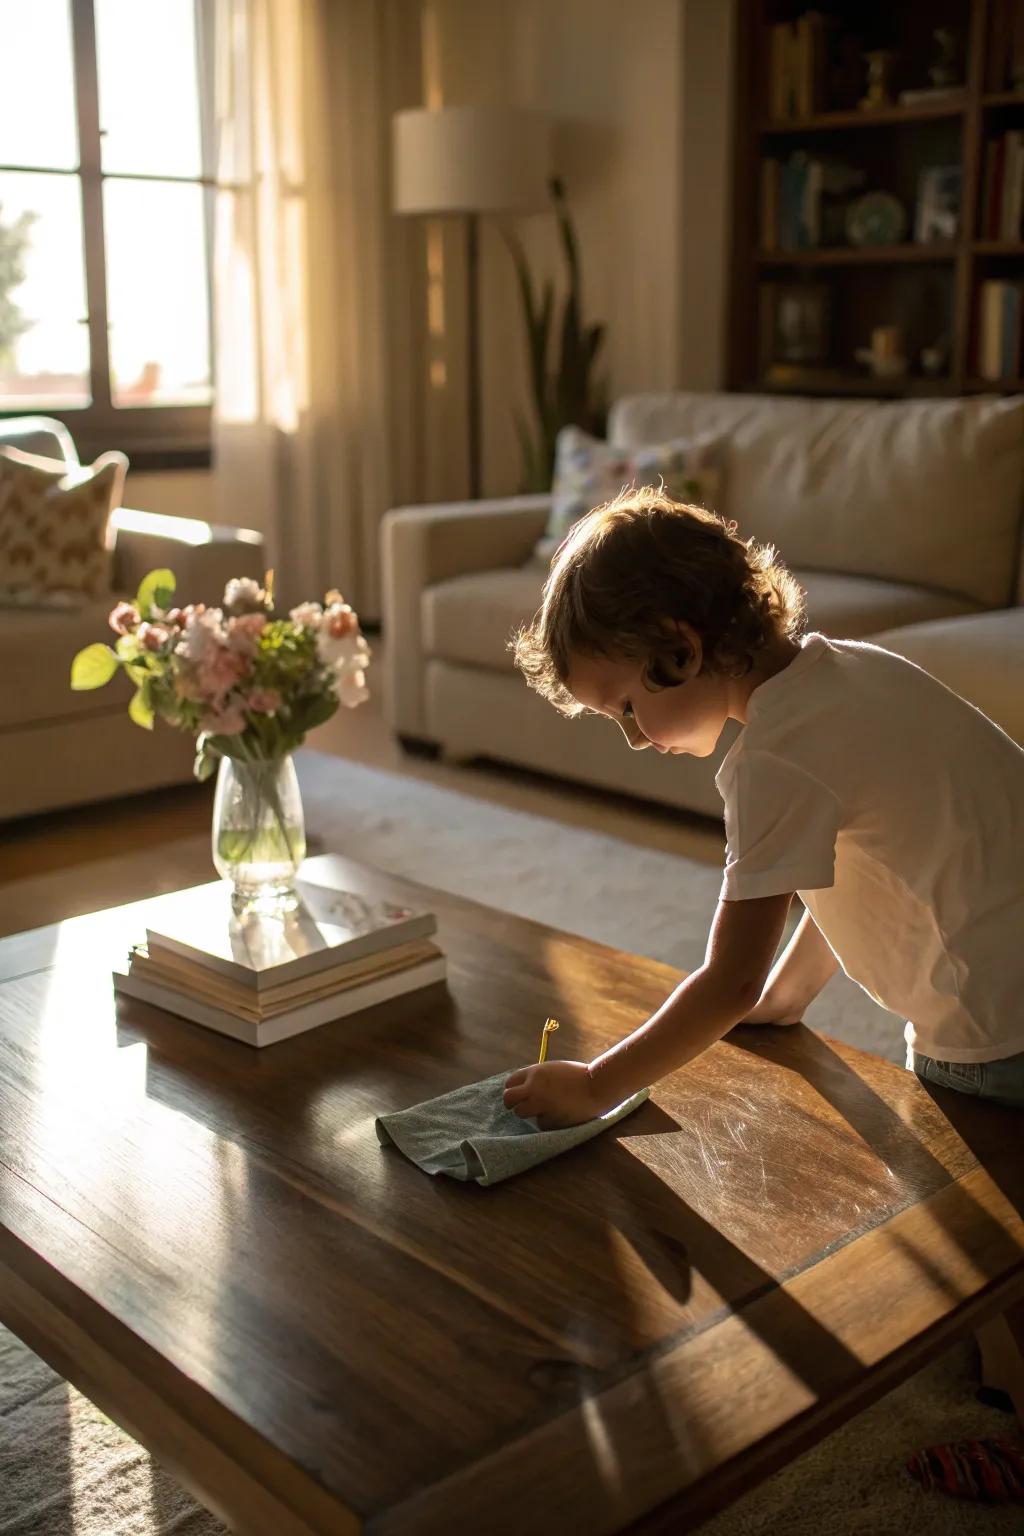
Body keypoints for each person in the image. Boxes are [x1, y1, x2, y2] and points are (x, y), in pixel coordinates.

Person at [502, 486, 1024, 1130]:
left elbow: (729, 979)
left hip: (997, 1030)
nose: (634, 737)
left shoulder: (775, 763)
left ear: (680, 648)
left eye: (627, 707)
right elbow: (863, 871)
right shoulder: (854, 668)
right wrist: (788, 994)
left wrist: (594, 1083)